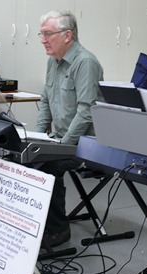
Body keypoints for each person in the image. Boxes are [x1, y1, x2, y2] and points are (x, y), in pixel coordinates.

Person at [35, 10, 104, 248]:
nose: (43, 39)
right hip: (58, 139)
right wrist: (37, 138)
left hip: (85, 144)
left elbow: (86, 111)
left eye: (48, 34)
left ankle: (58, 229)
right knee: (23, 158)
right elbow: (45, 100)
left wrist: (61, 146)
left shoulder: (85, 62)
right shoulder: (52, 61)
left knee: (46, 165)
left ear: (67, 35)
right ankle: (34, 223)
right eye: (41, 34)